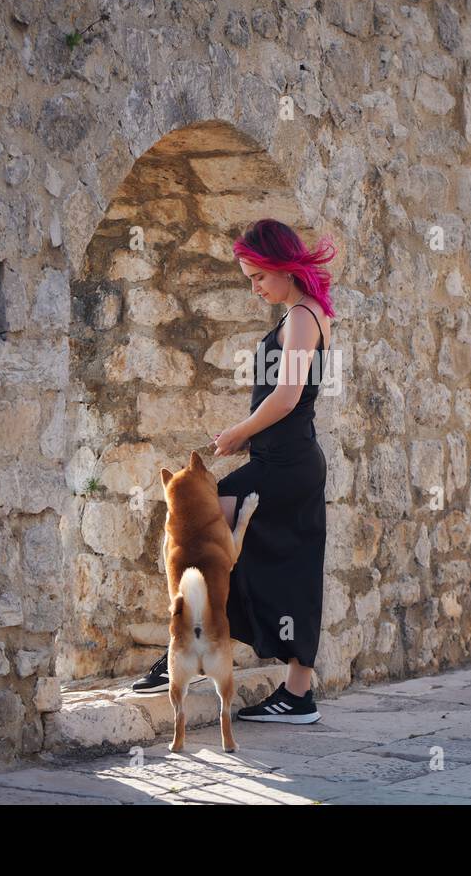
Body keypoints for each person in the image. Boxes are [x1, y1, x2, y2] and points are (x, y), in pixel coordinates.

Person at [133, 218, 335, 725]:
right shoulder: (302, 312)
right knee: (285, 566)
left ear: (281, 266)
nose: (255, 287)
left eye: (258, 276)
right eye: (248, 278)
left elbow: (287, 396)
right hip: (283, 462)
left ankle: (188, 647)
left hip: (285, 464)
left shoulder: (303, 316)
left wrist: (240, 432)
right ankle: (295, 694)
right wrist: (247, 437)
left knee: (196, 530)